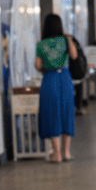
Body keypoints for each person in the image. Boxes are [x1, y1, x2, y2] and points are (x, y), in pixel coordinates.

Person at [35, 13, 77, 162]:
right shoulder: (65, 40)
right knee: (67, 112)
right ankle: (66, 153)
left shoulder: (41, 44)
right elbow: (74, 56)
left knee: (52, 113)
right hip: (65, 78)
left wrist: (47, 67)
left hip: (50, 79)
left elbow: (38, 65)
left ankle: (56, 154)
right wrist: (70, 40)